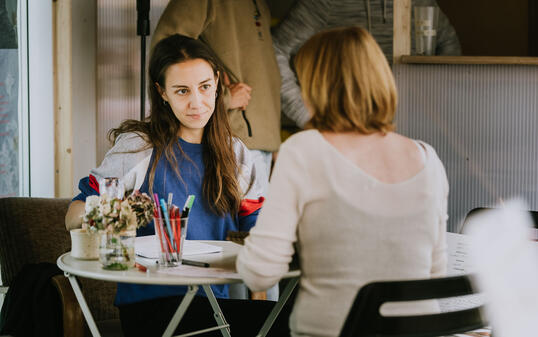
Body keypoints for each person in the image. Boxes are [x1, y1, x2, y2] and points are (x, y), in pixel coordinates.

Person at [65, 34, 286, 336]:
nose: (197, 102)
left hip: (213, 304)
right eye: (182, 91)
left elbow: (256, 227)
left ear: (218, 82)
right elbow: (73, 214)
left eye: (205, 87)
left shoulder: (236, 154)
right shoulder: (139, 147)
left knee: (301, 318)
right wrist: (110, 213)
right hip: (150, 306)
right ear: (162, 92)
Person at [236, 26, 449, 337]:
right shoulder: (428, 158)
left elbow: (260, 274)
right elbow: (434, 273)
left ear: (315, 86)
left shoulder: (303, 150)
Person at [151, 0, 282, 301]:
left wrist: (273, 139)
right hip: (229, 137)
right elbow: (167, 48)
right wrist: (220, 97)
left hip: (257, 141)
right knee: (234, 255)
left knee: (259, 250)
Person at [272, 0, 461, 128]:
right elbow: (275, 50)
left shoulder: (420, 2)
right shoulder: (328, 4)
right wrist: (307, 117)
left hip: (411, 127)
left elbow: (449, 48)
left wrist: (436, 104)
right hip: (344, 130)